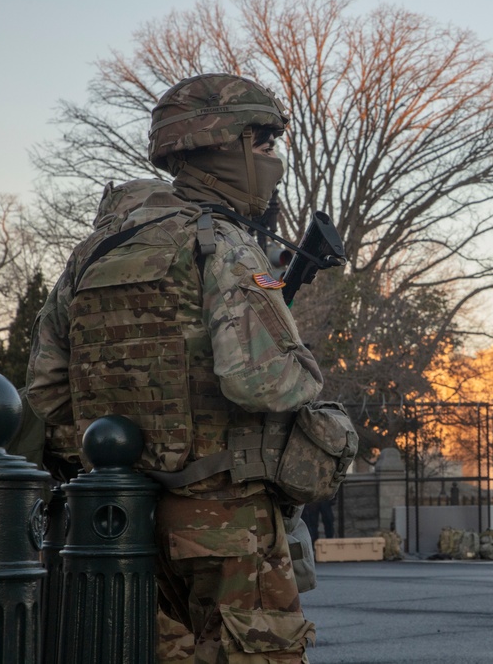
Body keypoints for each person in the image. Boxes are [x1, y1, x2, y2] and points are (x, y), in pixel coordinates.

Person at [26, 73, 324, 662]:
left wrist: (122, 453)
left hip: (117, 519)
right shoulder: (224, 243)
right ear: (225, 147)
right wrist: (306, 369)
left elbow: (46, 394)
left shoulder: (94, 252)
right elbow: (262, 380)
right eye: (263, 147)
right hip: (227, 521)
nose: (273, 163)